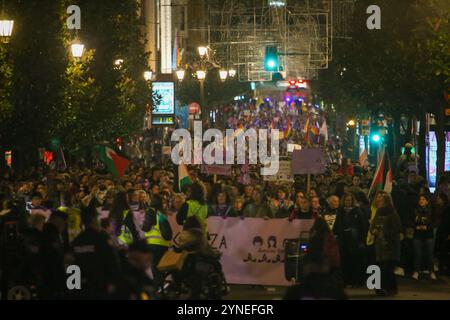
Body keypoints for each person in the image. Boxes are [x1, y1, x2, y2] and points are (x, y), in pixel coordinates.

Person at [69, 205, 121, 299]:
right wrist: (114, 283)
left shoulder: (77, 241)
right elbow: (112, 262)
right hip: (100, 287)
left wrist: (73, 289)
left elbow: (72, 266)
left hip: (82, 288)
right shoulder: (102, 238)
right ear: (94, 220)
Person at [369, 192, 402, 296]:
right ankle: (383, 288)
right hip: (379, 245)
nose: (378, 200)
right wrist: (373, 230)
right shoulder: (378, 212)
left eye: (381, 199)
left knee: (387, 268)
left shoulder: (392, 213)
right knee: (380, 267)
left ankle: (388, 288)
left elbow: (397, 229)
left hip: (390, 245)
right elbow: (372, 226)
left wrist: (384, 232)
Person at [333, 193, 367, 287]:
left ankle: (355, 281)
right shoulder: (340, 211)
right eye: (346, 200)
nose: (348, 202)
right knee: (344, 261)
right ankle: (345, 280)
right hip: (343, 240)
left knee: (354, 261)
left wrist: (361, 240)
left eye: (350, 200)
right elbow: (337, 226)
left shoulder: (357, 211)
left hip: (354, 241)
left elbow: (362, 226)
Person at [39, 210, 68, 299]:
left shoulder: (46, 232)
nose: (64, 226)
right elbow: (54, 262)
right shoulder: (51, 235)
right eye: (64, 223)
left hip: (46, 283)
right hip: (51, 284)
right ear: (57, 220)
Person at [145, 195, 173, 289]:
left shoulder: (150, 211)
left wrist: (142, 225)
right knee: (160, 267)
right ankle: (162, 287)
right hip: (163, 244)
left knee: (155, 267)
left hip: (153, 244)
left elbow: (146, 227)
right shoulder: (161, 213)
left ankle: (158, 288)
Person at [410, 195, 436, 280]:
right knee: (417, 254)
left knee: (429, 254)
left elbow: (435, 221)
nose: (421, 201)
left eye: (423, 199)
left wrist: (428, 227)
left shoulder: (431, 210)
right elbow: (410, 220)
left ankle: (431, 271)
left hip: (428, 235)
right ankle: (416, 271)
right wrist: (415, 226)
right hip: (417, 235)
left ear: (427, 201)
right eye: (420, 199)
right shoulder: (414, 210)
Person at [436, 193, 450, 275]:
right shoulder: (441, 208)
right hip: (442, 231)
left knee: (444, 250)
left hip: (445, 232)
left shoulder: (446, 209)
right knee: (442, 250)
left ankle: (444, 267)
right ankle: (442, 267)